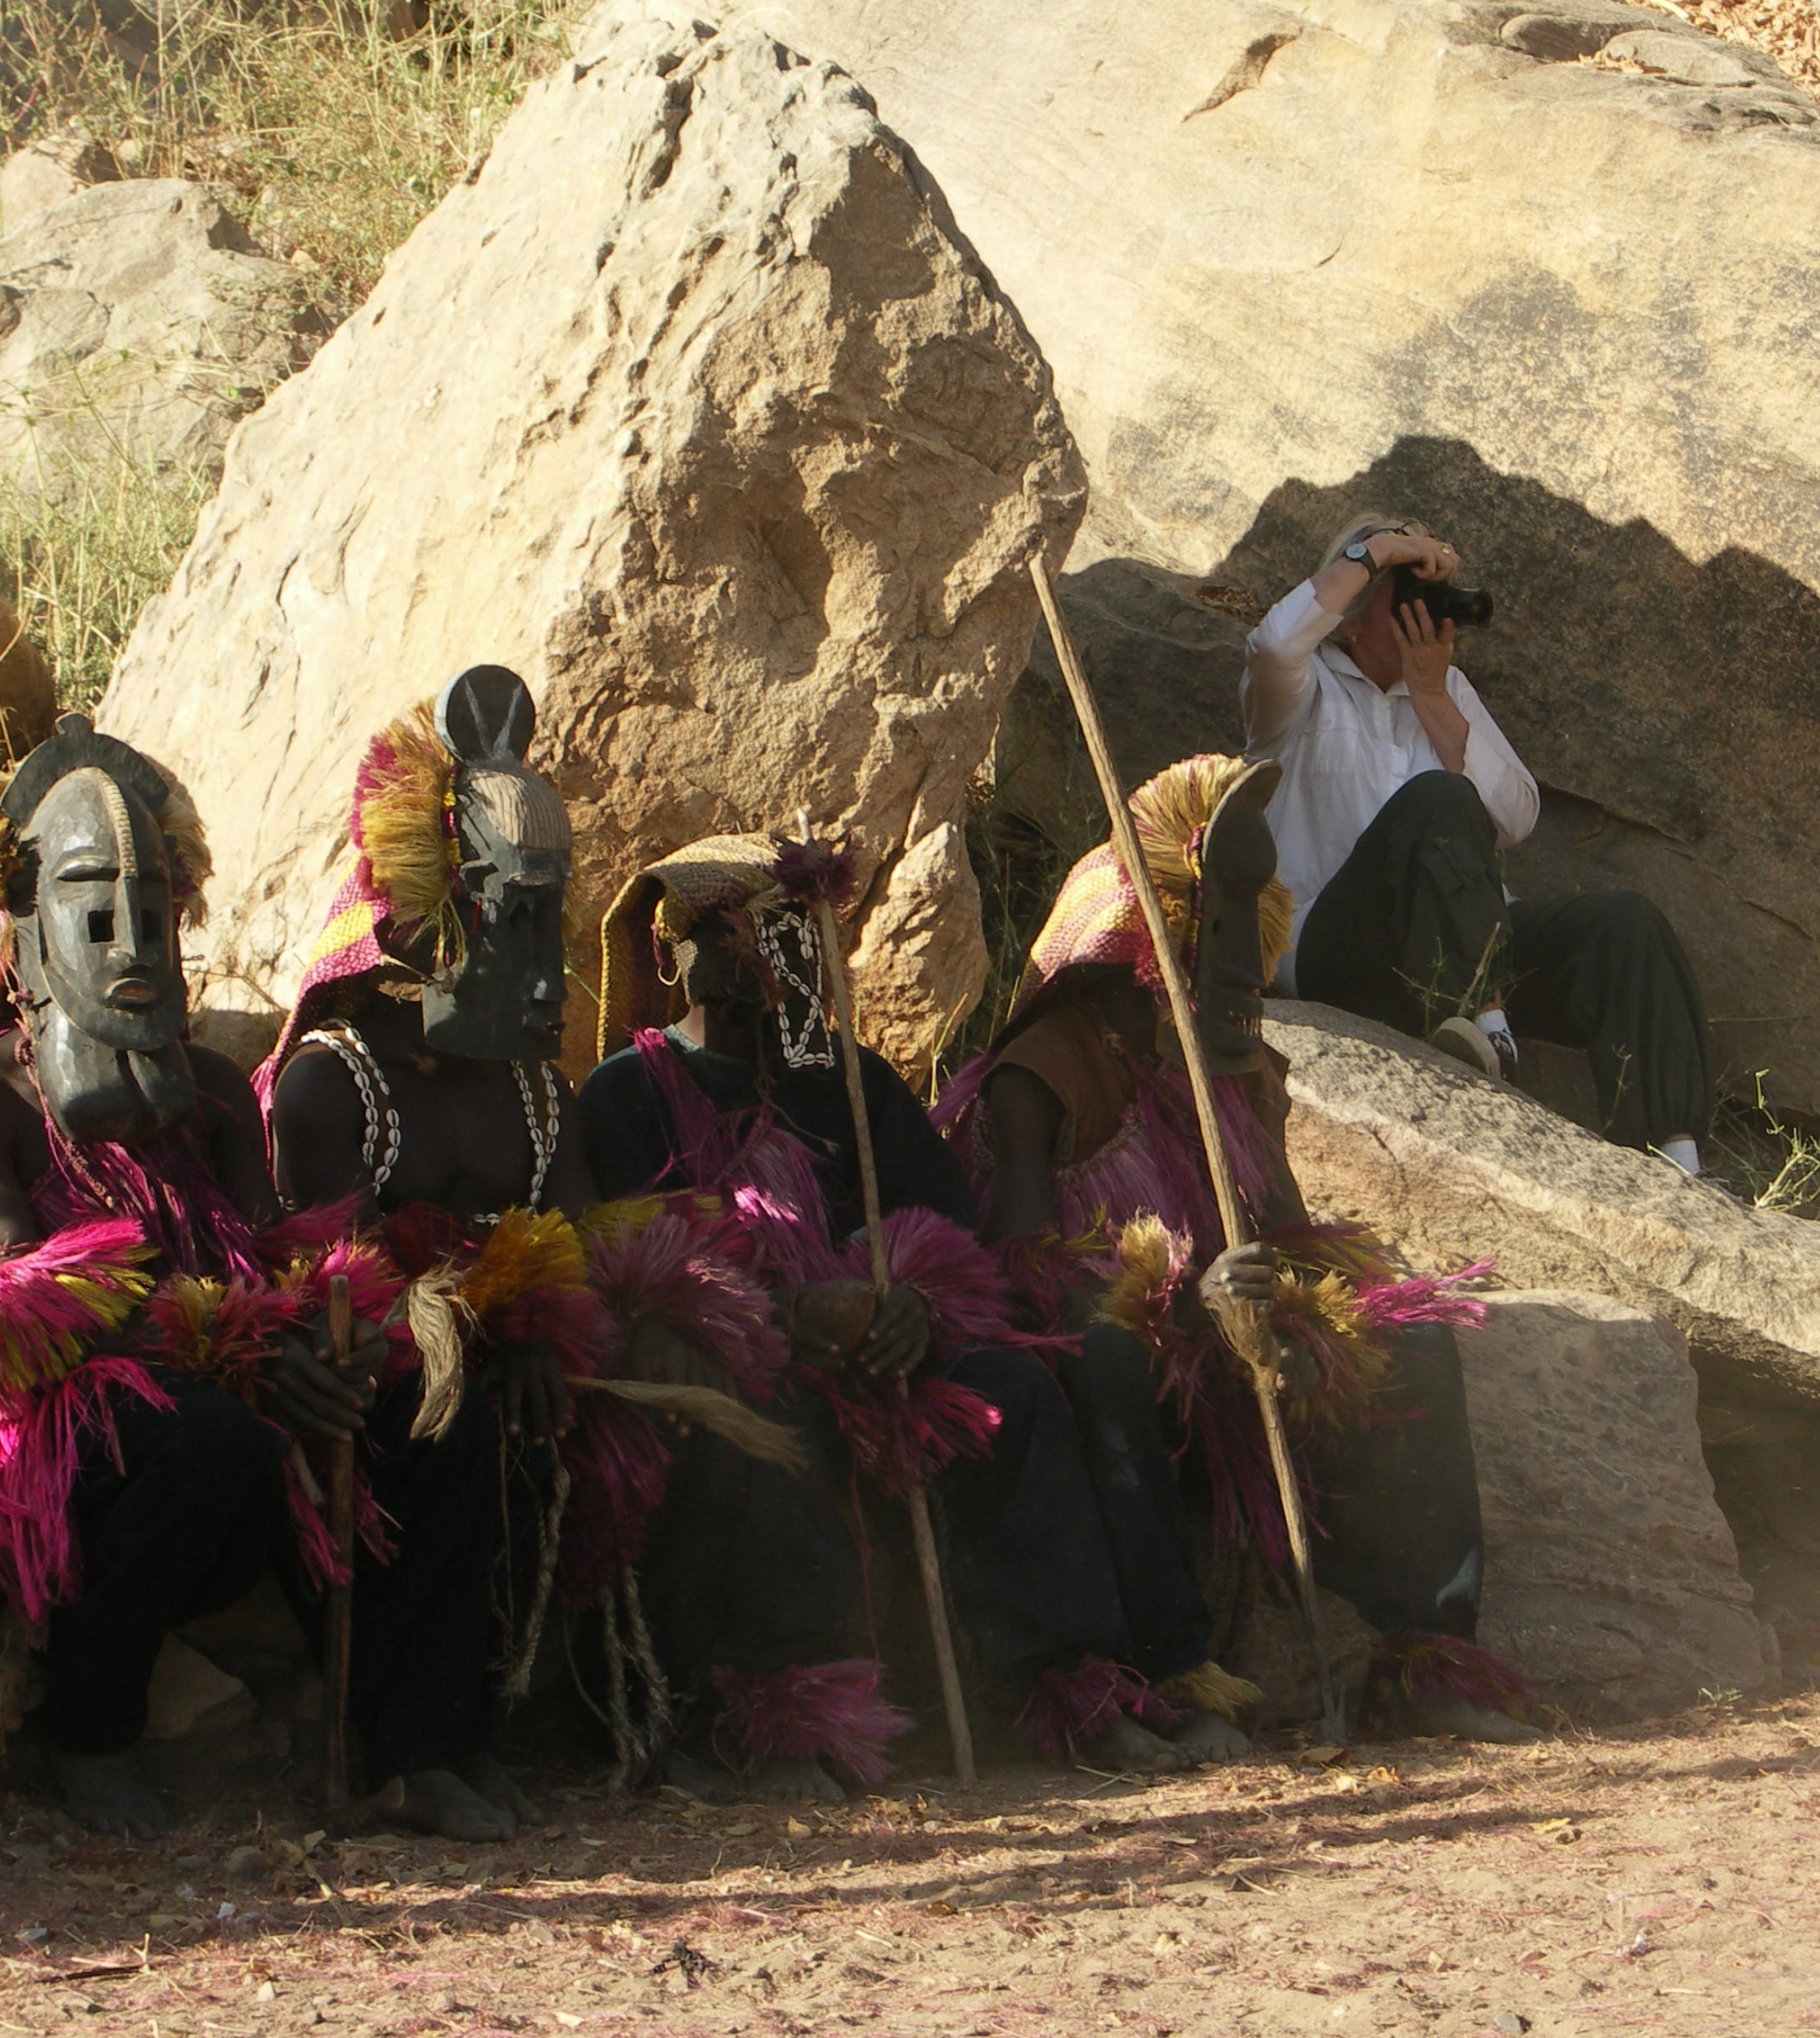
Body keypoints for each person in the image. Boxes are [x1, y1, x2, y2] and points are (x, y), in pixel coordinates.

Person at [581, 834, 1211, 1786]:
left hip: (880, 1353)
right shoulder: (627, 1092)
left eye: (771, 937)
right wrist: (782, 1317)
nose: (745, 960)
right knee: (766, 1426)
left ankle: (1063, 1684)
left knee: (1012, 1391)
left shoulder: (852, 1084)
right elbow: (624, 1260)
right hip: (741, 1363)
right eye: (714, 936)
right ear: (671, 956)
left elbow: (946, 1222)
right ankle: (774, 1716)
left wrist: (914, 1296)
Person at [937, 753, 1540, 1743]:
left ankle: (1423, 1656)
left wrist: (1298, 1314)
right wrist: (1173, 1302)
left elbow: (1290, 1230)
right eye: (1195, 968)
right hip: (1126, 1371)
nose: (1222, 1003)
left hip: (1238, 1359)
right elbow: (1019, 1282)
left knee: (1413, 1346)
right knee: (1109, 1360)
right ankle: (1171, 1676)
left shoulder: (1243, 1071)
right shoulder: (1043, 1074)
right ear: (1137, 954)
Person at [0, 718, 390, 1838]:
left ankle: (419, 1736)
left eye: (153, 915)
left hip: (207, 1382)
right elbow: (5, 1300)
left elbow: (270, 1250)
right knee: (204, 1438)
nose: (135, 947)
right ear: (30, 939)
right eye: (100, 915)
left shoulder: (208, 1093)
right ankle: (92, 1730)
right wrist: (231, 1344)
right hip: (41, 1405)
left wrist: (318, 1332)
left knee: (395, 1400)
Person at [263, 667, 756, 1832]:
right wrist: (494, 1332)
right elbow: (327, 1287)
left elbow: (582, 1242)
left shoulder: (540, 1095)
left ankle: (652, 1709)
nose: (541, 955)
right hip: (360, 1386)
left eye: (551, 912)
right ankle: (416, 1743)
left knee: (684, 1380)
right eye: (511, 915)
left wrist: (551, 1324)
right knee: (451, 1411)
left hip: (506, 1372)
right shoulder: (334, 1085)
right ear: (436, 910)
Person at [1243, 515, 1715, 1169]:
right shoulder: (1301, 691)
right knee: (1436, 800)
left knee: (1624, 925)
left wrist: (1434, 697)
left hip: (1467, 945)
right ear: (1348, 618)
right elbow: (1272, 645)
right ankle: (1490, 1037)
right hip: (1340, 952)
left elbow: (1518, 815)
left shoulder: (1448, 690)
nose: (1427, 618)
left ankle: (1677, 1159)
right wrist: (1376, 550)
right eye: (1401, 601)